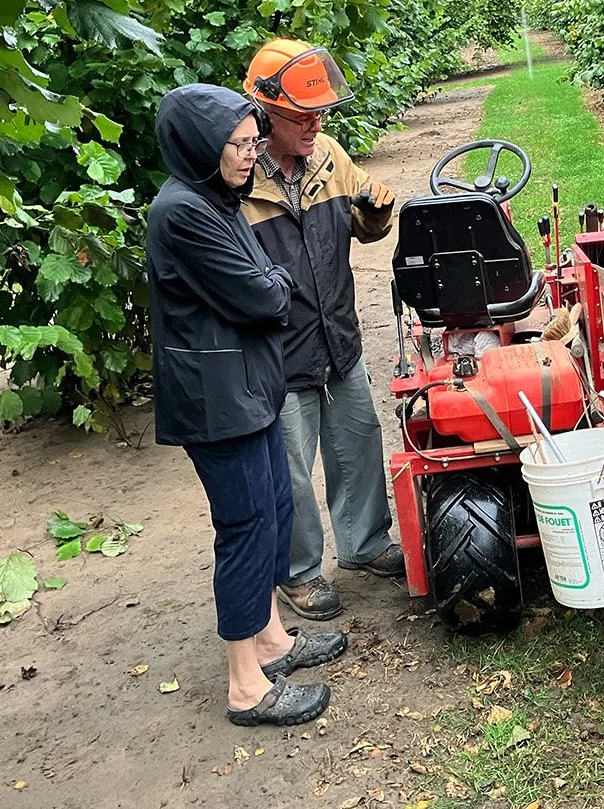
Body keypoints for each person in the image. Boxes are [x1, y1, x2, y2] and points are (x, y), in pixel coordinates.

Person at [146, 83, 348, 725]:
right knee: (243, 527)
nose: (250, 154)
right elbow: (265, 297)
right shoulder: (184, 212)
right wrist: (271, 286)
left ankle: (270, 640)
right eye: (237, 144)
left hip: (248, 385)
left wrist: (269, 285)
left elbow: (264, 281)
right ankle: (246, 686)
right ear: (202, 147)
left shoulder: (220, 200)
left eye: (252, 141)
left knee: (275, 507)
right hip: (216, 398)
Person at [237, 40, 405, 622]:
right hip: (278, 354)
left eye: (321, 111)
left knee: (358, 443)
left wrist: (376, 212)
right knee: (289, 469)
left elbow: (363, 225)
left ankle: (365, 544)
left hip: (340, 338)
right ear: (262, 110)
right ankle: (299, 572)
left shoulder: (329, 155)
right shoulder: (237, 180)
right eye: (302, 114)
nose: (316, 122)